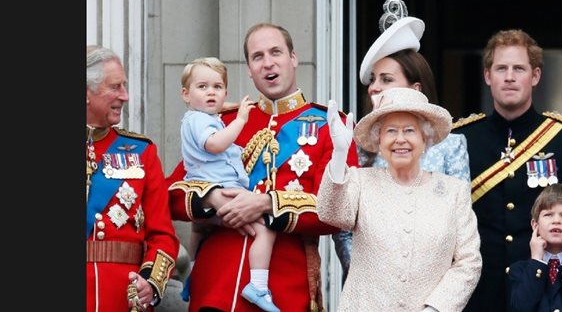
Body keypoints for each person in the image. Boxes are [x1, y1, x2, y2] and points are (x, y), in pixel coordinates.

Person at [166, 23, 359, 312]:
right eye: (257, 56)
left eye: (276, 52)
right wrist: (212, 199)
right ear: (249, 68)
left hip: (282, 291)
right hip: (215, 287)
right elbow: (171, 194)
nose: (267, 63)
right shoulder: (225, 122)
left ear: (293, 58)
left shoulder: (330, 126)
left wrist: (265, 204)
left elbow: (338, 212)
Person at [332, 0, 471, 284]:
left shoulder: (451, 145)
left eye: (386, 78)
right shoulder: (356, 146)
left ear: (415, 88)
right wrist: (374, 282)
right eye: (373, 79)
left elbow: (459, 232)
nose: (374, 87)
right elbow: (343, 228)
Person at [318, 87, 481, 311]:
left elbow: (469, 261)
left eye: (410, 131)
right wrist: (338, 155)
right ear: (379, 139)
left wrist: (435, 308)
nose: (400, 139)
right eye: (391, 131)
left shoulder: (454, 192)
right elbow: (331, 213)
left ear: (425, 138)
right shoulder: (360, 181)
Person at [453, 29, 562, 312]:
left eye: (519, 68)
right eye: (501, 68)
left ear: (536, 76)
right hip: (478, 292)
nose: (510, 76)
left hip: (544, 290)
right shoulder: (461, 140)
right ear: (487, 76)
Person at [178, 57, 279, 312]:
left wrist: (230, 109)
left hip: (203, 185)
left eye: (217, 87)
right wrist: (241, 120)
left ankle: (191, 271)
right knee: (266, 229)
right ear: (185, 94)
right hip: (222, 187)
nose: (211, 92)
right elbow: (215, 144)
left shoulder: (198, 116)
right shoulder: (208, 122)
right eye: (203, 87)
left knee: (200, 230)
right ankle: (258, 285)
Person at [86, 45, 179, 311]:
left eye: (125, 86)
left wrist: (151, 282)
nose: (125, 96)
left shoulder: (142, 152)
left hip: (124, 298)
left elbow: (164, 236)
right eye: (115, 87)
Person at [508, 183, 562, 312]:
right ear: (535, 225)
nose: (556, 220)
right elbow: (520, 308)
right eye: (548, 215)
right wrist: (536, 261)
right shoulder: (519, 270)